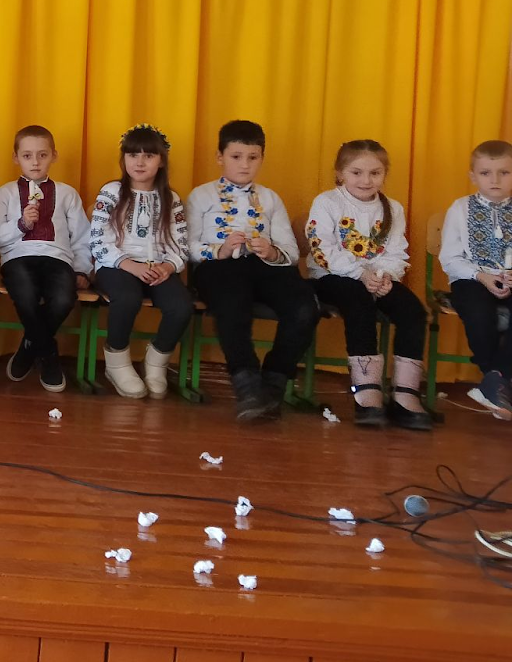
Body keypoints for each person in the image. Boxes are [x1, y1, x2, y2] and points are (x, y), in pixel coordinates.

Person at [185, 119, 318, 422]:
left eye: (252, 157)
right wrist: (218, 250)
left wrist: (271, 251)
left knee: (304, 307)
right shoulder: (201, 196)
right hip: (218, 267)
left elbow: (290, 251)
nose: (244, 165)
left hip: (265, 267)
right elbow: (186, 246)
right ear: (220, 157)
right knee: (233, 304)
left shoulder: (270, 199)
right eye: (236, 156)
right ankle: (246, 384)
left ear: (262, 158)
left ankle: (272, 383)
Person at [306, 139, 431, 431]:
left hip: (377, 279)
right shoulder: (327, 202)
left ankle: (405, 394)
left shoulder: (393, 208)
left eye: (375, 173)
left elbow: (397, 252)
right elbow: (321, 250)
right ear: (340, 173)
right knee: (359, 303)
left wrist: (386, 275)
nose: (366, 180)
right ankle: (367, 391)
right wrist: (360, 274)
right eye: (357, 172)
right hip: (332, 277)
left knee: (412, 311)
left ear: (384, 174)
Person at [0, 125, 91, 393]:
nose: (35, 162)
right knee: (25, 295)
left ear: (54, 156)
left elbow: (82, 236)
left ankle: (30, 345)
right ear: (16, 158)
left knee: (64, 298)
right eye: (27, 155)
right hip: (17, 259)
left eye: (42, 155)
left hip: (58, 259)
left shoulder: (67, 194)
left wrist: (81, 270)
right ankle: (49, 354)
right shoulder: (4, 194)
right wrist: (20, 224)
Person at [89, 125, 191, 399]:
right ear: (123, 159)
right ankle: (117, 363)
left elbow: (180, 245)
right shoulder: (111, 192)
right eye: (133, 155)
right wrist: (129, 265)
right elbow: (97, 240)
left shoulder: (171, 199)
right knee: (127, 298)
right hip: (116, 266)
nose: (140, 162)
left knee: (181, 306)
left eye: (149, 155)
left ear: (161, 161)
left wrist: (168, 266)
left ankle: (156, 362)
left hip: (158, 267)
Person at [438, 139, 512, 420]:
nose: (495, 180)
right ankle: (497, 380)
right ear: (473, 176)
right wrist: (482, 276)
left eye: (504, 173)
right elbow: (450, 258)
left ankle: (496, 380)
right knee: (479, 313)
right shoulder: (460, 208)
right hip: (471, 278)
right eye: (485, 173)